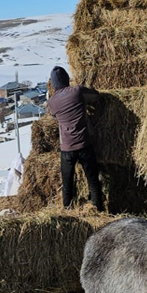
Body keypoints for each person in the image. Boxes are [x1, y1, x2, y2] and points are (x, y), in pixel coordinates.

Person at [47, 66, 104, 211]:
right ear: (66, 79)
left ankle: (68, 212)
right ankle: (99, 209)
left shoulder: (52, 102)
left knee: (67, 184)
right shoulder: (77, 91)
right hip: (84, 144)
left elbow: (55, 117)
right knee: (93, 181)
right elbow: (95, 95)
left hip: (67, 148)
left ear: (54, 84)